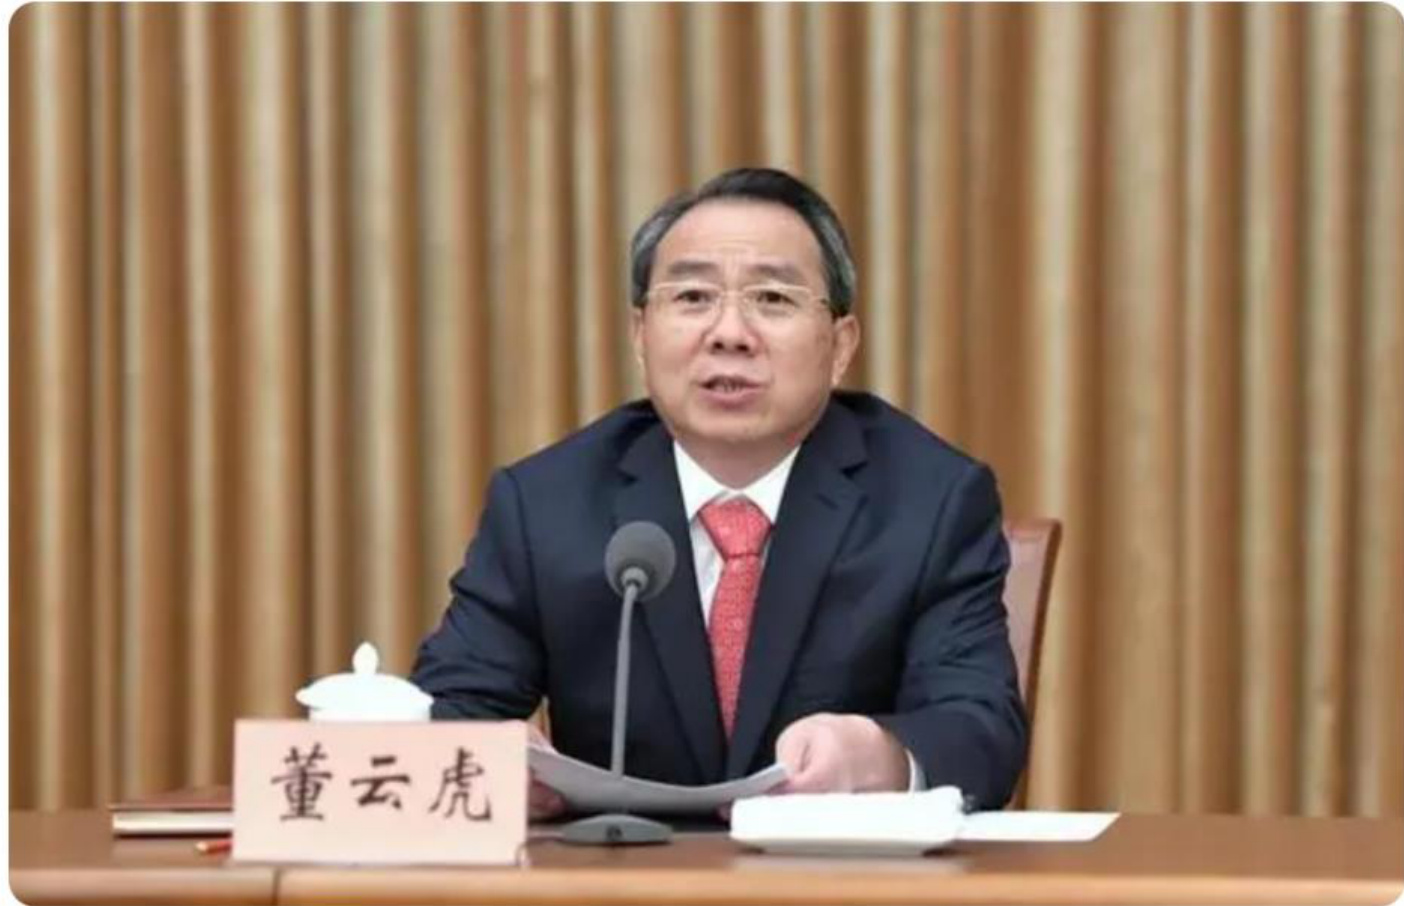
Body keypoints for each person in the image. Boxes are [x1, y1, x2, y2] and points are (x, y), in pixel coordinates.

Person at [411, 167, 1026, 818]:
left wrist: (879, 756)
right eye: (693, 297)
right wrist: (489, 760)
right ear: (640, 335)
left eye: (773, 298)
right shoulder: (545, 503)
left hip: (833, 870)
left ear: (840, 346)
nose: (729, 333)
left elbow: (979, 729)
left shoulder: (931, 500)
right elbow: (450, 706)